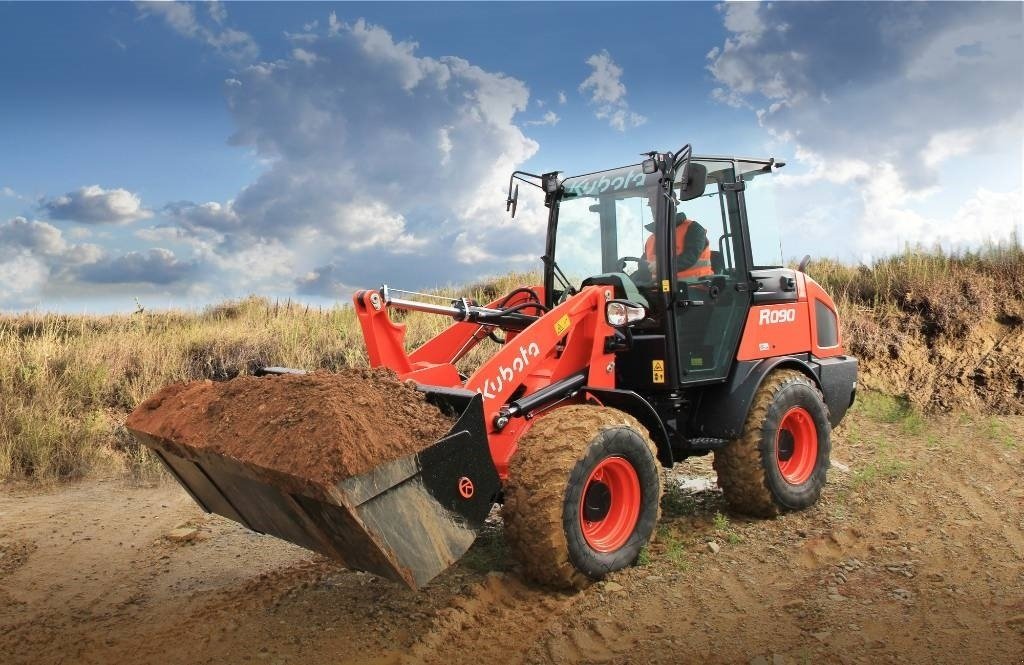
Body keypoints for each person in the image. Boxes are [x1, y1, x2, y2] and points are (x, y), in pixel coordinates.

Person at [643, 210, 713, 281]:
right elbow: (643, 264)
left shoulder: (693, 228)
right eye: (652, 205)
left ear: (673, 206)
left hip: (695, 285)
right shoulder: (650, 239)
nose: (655, 209)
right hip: (661, 287)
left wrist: (663, 265)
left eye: (658, 202)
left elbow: (690, 256)